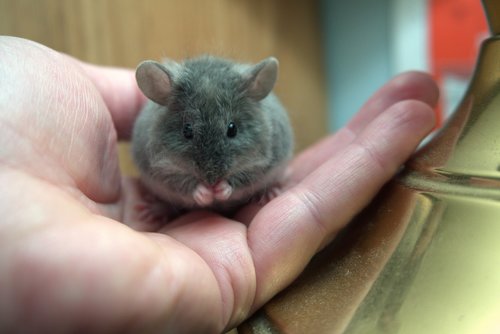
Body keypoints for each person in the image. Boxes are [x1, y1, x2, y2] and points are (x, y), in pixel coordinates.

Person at [0, 36, 438, 333]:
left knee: (268, 172)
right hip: (169, 194)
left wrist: (246, 182)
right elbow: (154, 166)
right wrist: (180, 193)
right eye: (188, 133)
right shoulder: (158, 122)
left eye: (230, 131)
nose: (212, 167)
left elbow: (263, 156)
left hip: (257, 179)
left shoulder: (259, 114)